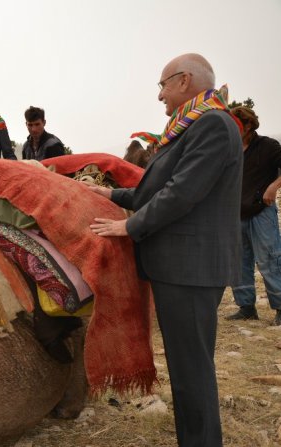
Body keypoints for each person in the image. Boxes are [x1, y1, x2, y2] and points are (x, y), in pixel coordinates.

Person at [89, 53, 243, 447]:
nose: (159, 95)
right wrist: (109, 193)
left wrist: (129, 225)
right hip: (183, 267)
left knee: (192, 372)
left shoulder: (211, 124)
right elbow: (155, 189)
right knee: (189, 368)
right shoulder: (193, 126)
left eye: (161, 85)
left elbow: (182, 192)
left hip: (189, 268)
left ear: (183, 80)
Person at [226, 106, 281, 324]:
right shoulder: (229, 149)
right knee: (239, 261)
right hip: (235, 213)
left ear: (248, 125)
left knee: (270, 259)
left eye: (235, 124)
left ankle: (280, 308)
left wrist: (274, 186)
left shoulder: (268, 145)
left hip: (262, 211)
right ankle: (246, 307)